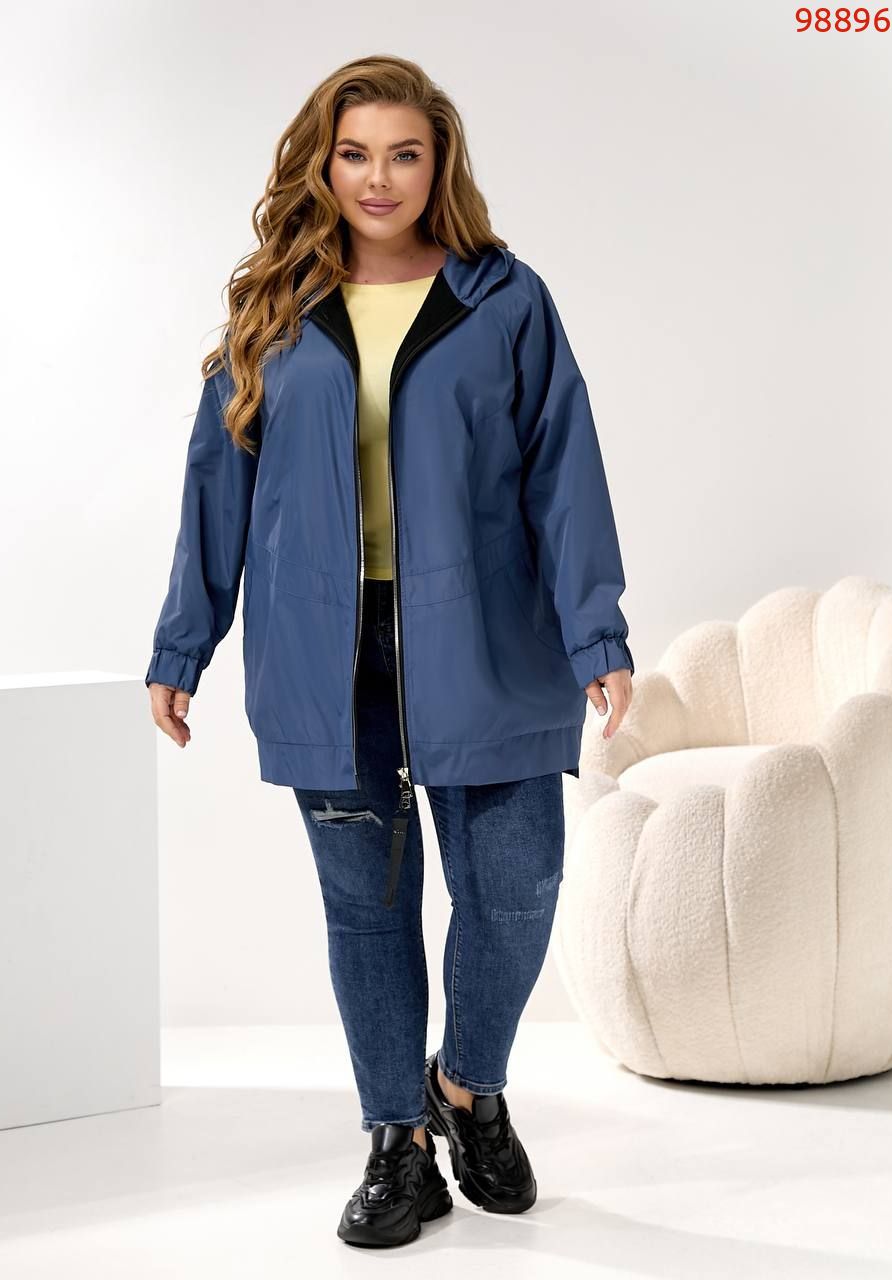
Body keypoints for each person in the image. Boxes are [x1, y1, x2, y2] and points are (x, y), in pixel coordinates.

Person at [146, 53, 635, 1249]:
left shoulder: (502, 297)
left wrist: (596, 629)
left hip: (488, 639)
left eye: (403, 154)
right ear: (321, 164)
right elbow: (218, 488)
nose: (379, 178)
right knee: (365, 908)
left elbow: (564, 469)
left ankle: (465, 1085)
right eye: (355, 153)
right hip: (324, 651)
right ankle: (397, 1143)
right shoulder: (274, 306)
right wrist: (182, 644)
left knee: (515, 889)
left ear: (438, 163)